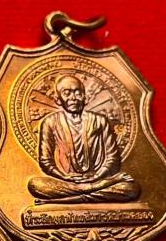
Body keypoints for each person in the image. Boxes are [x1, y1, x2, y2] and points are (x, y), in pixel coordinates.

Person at [27, 74, 140, 204]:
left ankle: (76, 196)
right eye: (67, 93)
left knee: (131, 188)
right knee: (35, 184)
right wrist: (64, 176)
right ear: (58, 99)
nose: (73, 98)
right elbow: (45, 161)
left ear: (84, 96)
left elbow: (113, 159)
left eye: (77, 92)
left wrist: (97, 176)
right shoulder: (50, 122)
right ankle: (91, 191)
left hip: (98, 178)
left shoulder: (100, 120)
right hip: (67, 182)